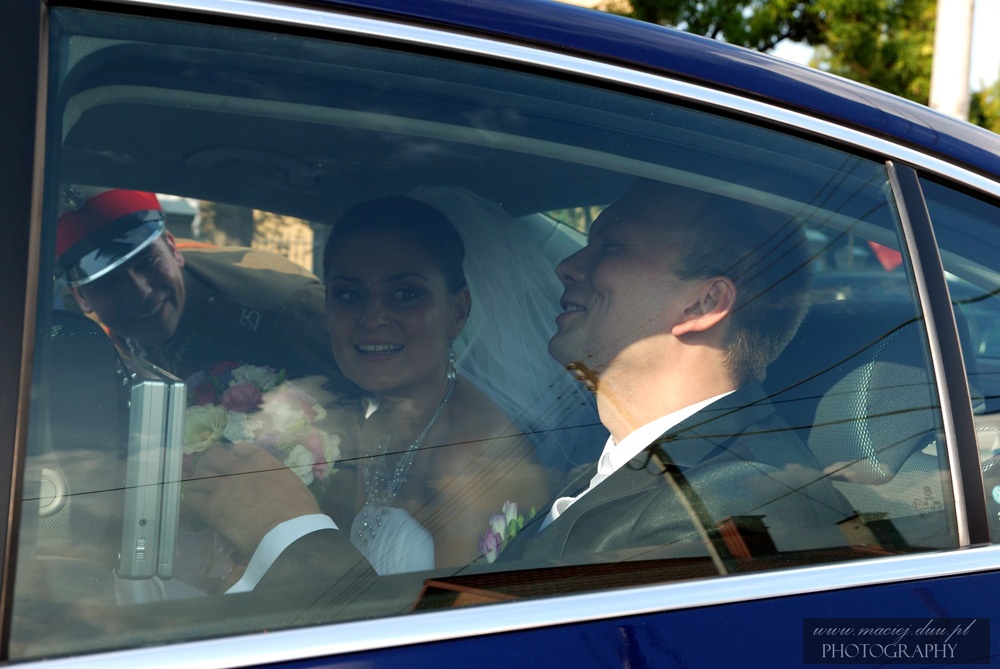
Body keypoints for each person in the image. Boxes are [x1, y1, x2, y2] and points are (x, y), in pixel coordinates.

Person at [183, 179, 849, 592]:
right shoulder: (606, 474)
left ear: (704, 303)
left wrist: (288, 532)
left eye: (611, 246)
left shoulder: (737, 510)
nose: (567, 265)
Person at [320, 195, 549, 573]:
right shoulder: (375, 425)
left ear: (457, 312)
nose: (373, 317)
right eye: (350, 295)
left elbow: (458, 609)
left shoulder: (471, 463)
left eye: (405, 294)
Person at [54, 188, 345, 382]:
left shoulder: (280, 307)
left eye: (148, 262)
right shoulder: (70, 332)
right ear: (81, 297)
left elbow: (360, 409)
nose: (140, 292)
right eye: (107, 283)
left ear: (172, 248)